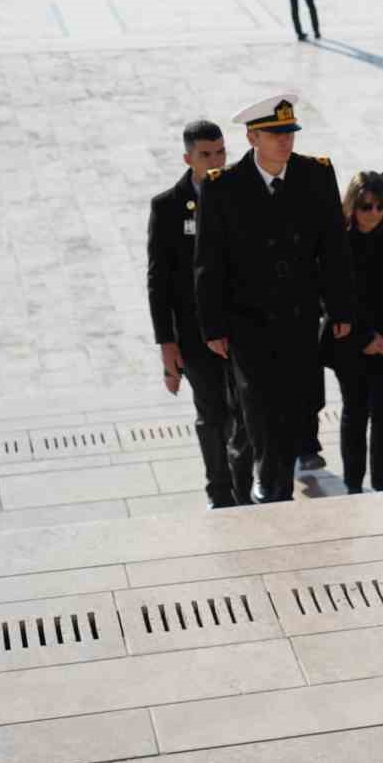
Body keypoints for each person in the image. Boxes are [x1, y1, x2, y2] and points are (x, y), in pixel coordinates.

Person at [194, 94, 356, 504]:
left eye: (289, 132)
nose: (286, 141)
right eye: (275, 134)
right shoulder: (223, 187)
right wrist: (212, 325)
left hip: (299, 317)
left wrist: (340, 307)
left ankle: (270, 479)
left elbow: (335, 248)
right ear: (252, 137)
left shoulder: (316, 175)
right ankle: (273, 488)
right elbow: (208, 263)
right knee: (259, 405)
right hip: (247, 321)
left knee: (293, 406)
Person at [147, 120, 252, 510]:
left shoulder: (242, 195)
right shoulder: (168, 207)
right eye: (206, 154)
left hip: (240, 329)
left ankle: (243, 487)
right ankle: (220, 492)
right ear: (187, 158)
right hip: (193, 335)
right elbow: (158, 281)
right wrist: (166, 345)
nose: (215, 161)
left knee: (245, 413)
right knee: (211, 414)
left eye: (221, 152)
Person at [324, 173, 383, 494]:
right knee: (355, 410)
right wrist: (365, 338)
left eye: (380, 206)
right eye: (365, 207)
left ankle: (382, 483)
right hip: (348, 340)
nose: (374, 213)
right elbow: (334, 293)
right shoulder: (337, 240)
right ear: (352, 206)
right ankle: (353, 484)